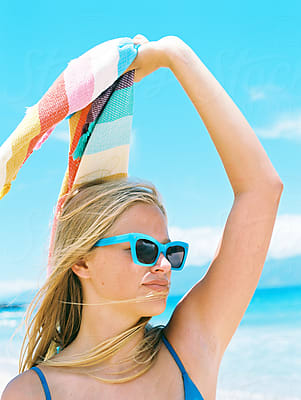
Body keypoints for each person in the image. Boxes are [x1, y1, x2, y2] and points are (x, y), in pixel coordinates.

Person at [1, 34, 283, 400]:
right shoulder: (32, 392)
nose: (165, 265)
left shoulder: (190, 347)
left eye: (171, 251)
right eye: (145, 249)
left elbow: (263, 190)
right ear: (82, 260)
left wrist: (174, 54)